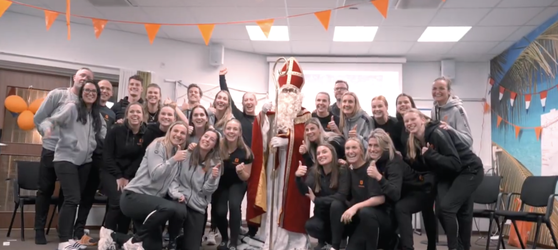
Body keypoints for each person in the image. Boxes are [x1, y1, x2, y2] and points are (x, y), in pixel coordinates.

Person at [246, 57, 312, 250]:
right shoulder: (273, 111)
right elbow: (261, 139)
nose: (289, 94)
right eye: (286, 90)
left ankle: (292, 241)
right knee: (272, 199)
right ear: (279, 91)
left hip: (293, 168)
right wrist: (262, 117)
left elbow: (309, 139)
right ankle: (271, 238)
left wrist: (289, 141)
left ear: (299, 93)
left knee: (291, 203)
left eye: (293, 90)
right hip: (273, 167)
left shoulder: (306, 115)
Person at [98, 121, 189, 250]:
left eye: (182, 133)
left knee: (153, 247)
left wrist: (177, 194)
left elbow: (172, 181)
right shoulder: (159, 145)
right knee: (169, 208)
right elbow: (155, 174)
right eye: (176, 131)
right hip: (133, 197)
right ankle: (135, 240)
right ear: (169, 132)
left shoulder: (178, 152)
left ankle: (113, 236)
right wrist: (174, 159)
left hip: (151, 204)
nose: (178, 135)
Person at [38, 81, 106, 250]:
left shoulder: (97, 115)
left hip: (85, 162)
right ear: (82, 93)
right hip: (65, 159)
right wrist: (46, 130)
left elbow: (105, 135)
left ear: (97, 95)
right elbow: (50, 121)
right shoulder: (72, 108)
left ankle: (69, 239)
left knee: (74, 200)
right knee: (72, 198)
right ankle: (64, 241)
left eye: (94, 91)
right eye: (87, 90)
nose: (90, 93)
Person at [404, 108, 484, 250]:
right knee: (442, 210)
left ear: (422, 119)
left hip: (469, 170)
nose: (409, 123)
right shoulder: (419, 141)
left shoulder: (436, 133)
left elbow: (455, 162)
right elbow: (429, 165)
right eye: (406, 121)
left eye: (412, 119)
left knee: (449, 208)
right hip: (449, 174)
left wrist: (430, 155)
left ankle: (455, 247)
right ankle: (461, 246)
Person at [33, 67, 94, 245]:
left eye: (89, 78)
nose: (85, 79)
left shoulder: (87, 102)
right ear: (75, 77)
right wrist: (47, 134)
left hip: (72, 155)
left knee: (68, 195)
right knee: (45, 189)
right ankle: (39, 230)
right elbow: (39, 118)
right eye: (82, 75)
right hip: (52, 150)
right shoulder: (58, 95)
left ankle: (63, 231)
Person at [366, 128, 435, 250]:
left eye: (376, 145)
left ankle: (407, 247)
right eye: (370, 145)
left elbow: (394, 194)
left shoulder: (393, 162)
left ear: (385, 146)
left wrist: (378, 176)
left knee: (400, 207)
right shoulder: (374, 161)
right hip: (404, 192)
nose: (372, 149)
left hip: (421, 191)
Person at [74, 79, 115, 246]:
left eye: (107, 89)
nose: (104, 91)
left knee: (100, 197)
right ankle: (74, 231)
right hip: (84, 159)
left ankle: (99, 233)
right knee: (80, 197)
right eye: (101, 88)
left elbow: (108, 137)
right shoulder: (80, 109)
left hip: (102, 161)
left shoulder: (110, 114)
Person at [168, 129, 223, 250]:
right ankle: (172, 238)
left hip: (197, 206)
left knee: (192, 247)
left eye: (212, 139)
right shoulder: (186, 155)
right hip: (180, 200)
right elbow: (174, 178)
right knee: (177, 211)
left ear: (214, 145)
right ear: (200, 138)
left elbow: (206, 192)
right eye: (206, 136)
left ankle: (183, 240)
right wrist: (176, 194)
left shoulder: (215, 164)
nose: (207, 140)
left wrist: (212, 178)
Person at [101, 102, 147, 241]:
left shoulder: (146, 134)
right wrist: (119, 175)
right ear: (127, 115)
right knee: (116, 200)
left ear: (143, 116)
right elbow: (107, 155)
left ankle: (121, 237)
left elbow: (140, 159)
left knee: (128, 201)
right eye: (132, 111)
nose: (135, 114)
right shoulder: (116, 130)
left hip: (131, 174)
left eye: (138, 112)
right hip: (110, 171)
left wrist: (126, 176)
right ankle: (107, 237)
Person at [339, 138, 392, 250]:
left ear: (362, 150)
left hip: (379, 218)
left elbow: (380, 198)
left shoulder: (370, 168)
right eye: (347, 148)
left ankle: (390, 242)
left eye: (354, 147)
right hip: (362, 222)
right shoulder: (348, 171)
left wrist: (355, 207)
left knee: (365, 212)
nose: (350, 151)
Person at [295, 143, 349, 250]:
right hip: (323, 215)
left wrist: (317, 200)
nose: (321, 155)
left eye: (324, 152)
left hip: (342, 216)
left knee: (336, 205)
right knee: (310, 225)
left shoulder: (342, 169)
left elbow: (341, 196)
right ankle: (324, 241)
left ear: (333, 154)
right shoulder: (315, 171)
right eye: (318, 153)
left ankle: (336, 245)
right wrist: (298, 178)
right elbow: (305, 191)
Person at [211, 119, 253, 250]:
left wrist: (241, 172)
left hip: (237, 183)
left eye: (235, 129)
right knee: (220, 211)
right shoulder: (216, 148)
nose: (231, 131)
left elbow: (247, 176)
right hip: (221, 184)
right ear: (224, 131)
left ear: (240, 132)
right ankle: (224, 238)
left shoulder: (245, 152)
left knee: (235, 206)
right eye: (229, 128)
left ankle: (234, 242)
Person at [218, 68, 257, 147]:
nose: (249, 102)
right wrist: (222, 77)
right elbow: (229, 99)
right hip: (242, 156)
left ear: (256, 102)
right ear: (242, 103)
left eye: (251, 100)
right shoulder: (240, 117)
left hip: (258, 156)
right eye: (246, 100)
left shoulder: (260, 120)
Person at [431, 76, 473, 148]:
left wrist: (450, 129)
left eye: (441, 88)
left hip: (463, 157)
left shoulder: (457, 110)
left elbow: (468, 141)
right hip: (448, 156)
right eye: (434, 89)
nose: (437, 92)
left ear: (449, 91)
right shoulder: (434, 110)